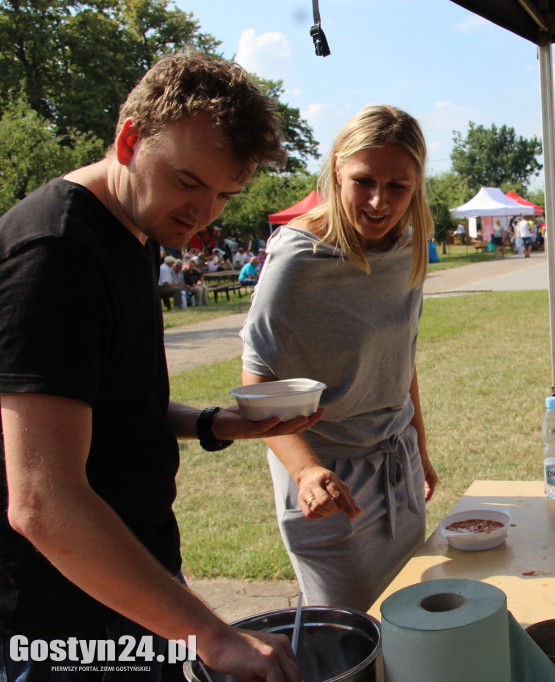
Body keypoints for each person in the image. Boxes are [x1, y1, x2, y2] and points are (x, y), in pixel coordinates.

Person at [0, 49, 313, 681]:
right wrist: (212, 635)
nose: (202, 215)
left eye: (225, 194)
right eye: (188, 182)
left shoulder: (136, 226)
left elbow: (110, 406)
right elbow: (42, 500)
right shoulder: (56, 255)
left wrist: (215, 423)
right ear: (127, 139)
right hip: (61, 622)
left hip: (133, 585)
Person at [239, 105, 439, 611]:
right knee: (350, 633)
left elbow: (401, 357)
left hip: (398, 461)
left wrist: (419, 446)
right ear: (335, 171)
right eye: (363, 181)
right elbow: (257, 380)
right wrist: (307, 472)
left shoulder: (409, 246)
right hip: (330, 484)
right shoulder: (298, 256)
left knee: (408, 620)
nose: (379, 201)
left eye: (399, 186)